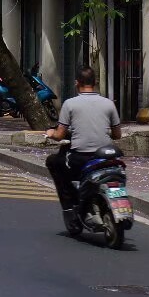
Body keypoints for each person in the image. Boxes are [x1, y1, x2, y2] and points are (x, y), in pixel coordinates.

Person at [45, 67, 122, 225]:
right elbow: (117, 134)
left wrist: (51, 133)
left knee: (54, 162)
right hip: (106, 157)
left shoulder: (70, 104)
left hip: (81, 158)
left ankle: (69, 207)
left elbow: (60, 135)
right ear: (95, 83)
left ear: (76, 83)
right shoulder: (108, 104)